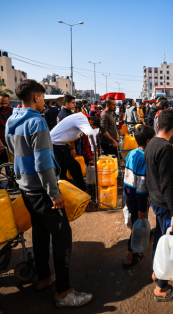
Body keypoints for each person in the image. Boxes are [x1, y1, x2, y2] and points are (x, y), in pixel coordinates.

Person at [5, 79, 93, 307]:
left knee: (40, 232)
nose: (44, 102)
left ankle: (43, 276)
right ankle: (63, 292)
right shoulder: (37, 123)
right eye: (43, 97)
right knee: (63, 235)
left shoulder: (11, 121)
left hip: (25, 188)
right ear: (36, 97)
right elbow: (43, 162)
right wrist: (54, 194)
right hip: (43, 191)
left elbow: (12, 152)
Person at [145, 109, 173, 301]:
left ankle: (156, 272)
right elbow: (168, 184)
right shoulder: (166, 148)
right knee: (170, 244)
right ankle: (162, 288)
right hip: (165, 204)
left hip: (156, 200)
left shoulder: (151, 143)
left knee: (161, 239)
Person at [123, 125, 155, 268]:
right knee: (139, 221)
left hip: (128, 192)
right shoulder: (144, 158)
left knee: (136, 220)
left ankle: (144, 236)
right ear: (148, 141)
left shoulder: (132, 153)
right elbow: (141, 186)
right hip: (137, 196)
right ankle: (130, 254)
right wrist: (143, 207)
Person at [51, 113, 100, 191]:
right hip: (55, 145)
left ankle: (65, 191)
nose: (92, 129)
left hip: (62, 145)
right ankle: (83, 191)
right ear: (91, 122)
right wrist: (94, 150)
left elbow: (70, 136)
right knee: (75, 167)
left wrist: (72, 149)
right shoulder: (81, 118)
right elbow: (91, 133)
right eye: (93, 127)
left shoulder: (81, 121)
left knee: (63, 170)